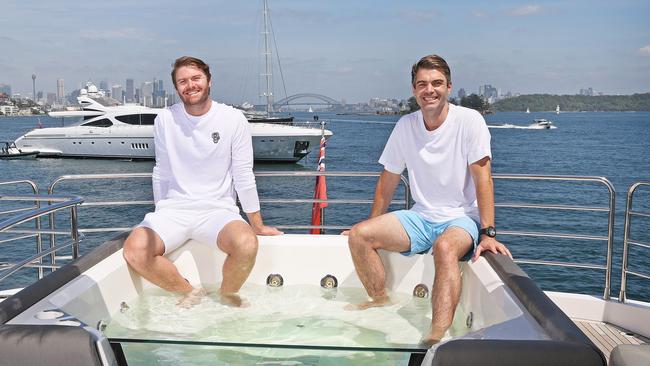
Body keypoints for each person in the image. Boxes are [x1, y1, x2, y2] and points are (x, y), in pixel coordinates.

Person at [347, 54, 512, 345]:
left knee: (445, 247)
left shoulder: (469, 121)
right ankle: (380, 300)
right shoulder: (406, 125)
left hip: (462, 218)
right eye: (422, 84)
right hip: (421, 217)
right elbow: (388, 181)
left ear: (449, 87)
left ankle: (435, 335)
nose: (429, 90)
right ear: (414, 90)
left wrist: (488, 232)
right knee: (360, 235)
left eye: (437, 83)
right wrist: (372, 222)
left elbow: (483, 178)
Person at [123, 56, 282, 307]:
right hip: (173, 211)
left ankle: (227, 295)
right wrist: (160, 211)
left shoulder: (233, 119)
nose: (190, 85)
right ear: (176, 88)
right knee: (135, 249)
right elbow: (161, 171)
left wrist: (257, 224)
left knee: (246, 243)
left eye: (196, 78)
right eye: (182, 81)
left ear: (209, 81)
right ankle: (189, 291)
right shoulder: (165, 119)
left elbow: (243, 174)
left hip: (218, 212)